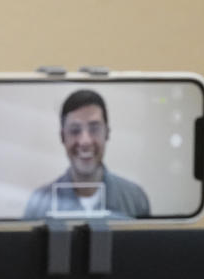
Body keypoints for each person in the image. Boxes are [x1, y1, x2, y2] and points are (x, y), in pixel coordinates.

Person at [24, 89, 150, 219]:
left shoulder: (135, 199)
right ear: (62, 137)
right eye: (75, 130)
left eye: (94, 128)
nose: (85, 141)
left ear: (107, 133)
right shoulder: (38, 205)